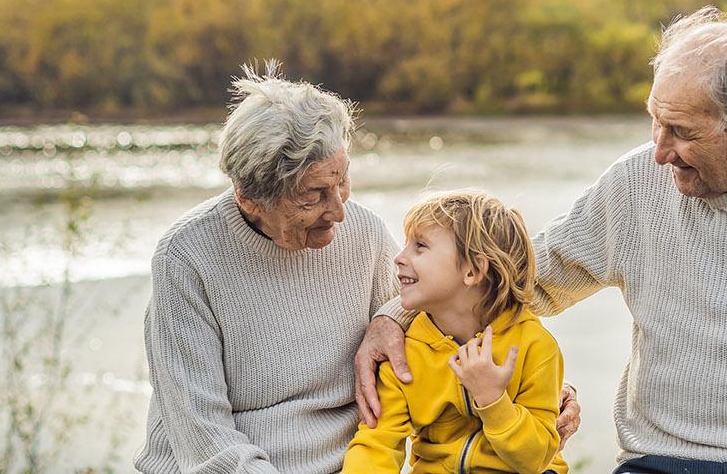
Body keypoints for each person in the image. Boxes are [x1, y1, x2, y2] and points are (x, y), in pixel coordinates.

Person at [356, 7, 727, 474]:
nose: (659, 151)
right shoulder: (637, 182)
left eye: (681, 132)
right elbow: (514, 282)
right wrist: (393, 316)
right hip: (657, 464)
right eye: (654, 121)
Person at [136, 64, 580, 474]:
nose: (339, 211)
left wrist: (527, 393)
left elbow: (433, 310)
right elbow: (205, 441)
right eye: (313, 195)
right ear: (249, 198)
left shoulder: (362, 232)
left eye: (342, 180)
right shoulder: (187, 258)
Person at [344, 190, 568, 474]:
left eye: (420, 246)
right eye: (405, 244)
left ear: (473, 271)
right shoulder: (404, 352)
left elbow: (535, 458)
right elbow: (377, 444)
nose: (399, 257)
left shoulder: (534, 347)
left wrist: (493, 400)